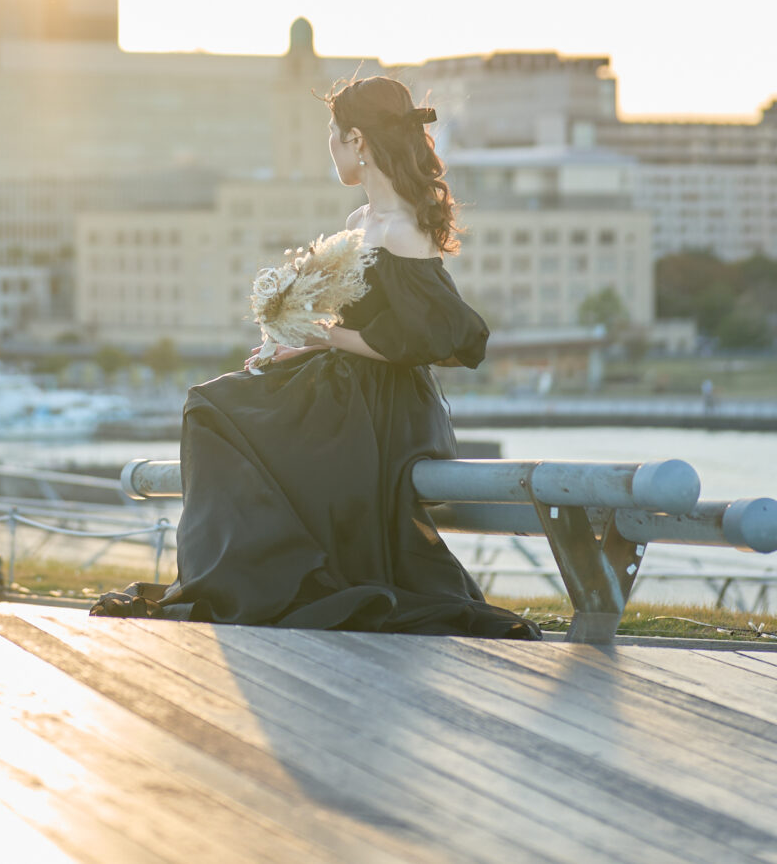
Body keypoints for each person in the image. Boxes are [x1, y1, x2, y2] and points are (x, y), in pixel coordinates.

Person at [93, 75, 537, 637]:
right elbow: (357, 324)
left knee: (216, 408)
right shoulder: (360, 223)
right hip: (341, 386)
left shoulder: (401, 230)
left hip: (380, 403)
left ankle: (266, 581)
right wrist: (295, 343)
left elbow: (431, 339)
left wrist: (321, 339)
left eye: (332, 133)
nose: (328, 145)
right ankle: (245, 577)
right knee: (213, 406)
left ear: (357, 140)